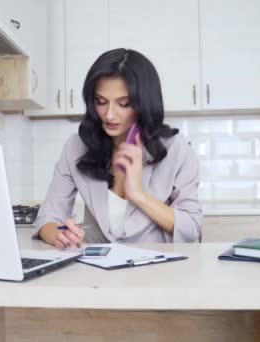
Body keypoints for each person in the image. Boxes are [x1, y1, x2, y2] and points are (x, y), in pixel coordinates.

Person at [34, 48, 202, 249]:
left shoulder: (176, 149)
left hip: (157, 272)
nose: (109, 115)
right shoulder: (76, 147)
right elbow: (48, 217)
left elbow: (192, 229)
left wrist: (139, 195)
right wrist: (58, 235)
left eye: (123, 103)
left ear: (144, 104)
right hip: (97, 272)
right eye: (101, 102)